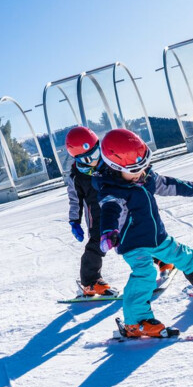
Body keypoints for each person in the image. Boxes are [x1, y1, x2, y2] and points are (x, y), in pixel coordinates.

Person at [93, 128, 193, 338]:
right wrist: (109, 233)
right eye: (134, 170)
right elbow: (110, 211)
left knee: (186, 256)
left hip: (158, 237)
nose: (140, 173)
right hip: (132, 244)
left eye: (143, 166)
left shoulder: (146, 178)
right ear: (114, 167)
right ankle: (135, 323)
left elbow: (171, 185)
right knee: (145, 274)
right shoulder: (112, 191)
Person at [64, 126, 115, 296]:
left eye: (96, 153)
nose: (94, 160)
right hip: (97, 215)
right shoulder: (77, 176)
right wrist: (74, 221)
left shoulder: (109, 161)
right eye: (88, 158)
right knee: (96, 245)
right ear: (78, 159)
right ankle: (90, 282)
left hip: (119, 208)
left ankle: (160, 258)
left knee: (137, 232)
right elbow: (74, 200)